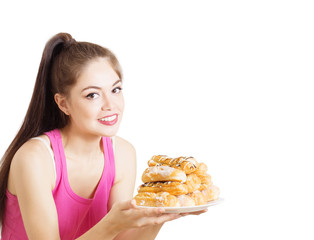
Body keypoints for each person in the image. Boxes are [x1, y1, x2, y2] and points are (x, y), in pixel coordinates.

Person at [0, 33, 206, 240]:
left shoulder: (123, 153)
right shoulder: (35, 158)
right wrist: (111, 224)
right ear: (63, 104)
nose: (111, 105)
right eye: (92, 95)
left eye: (115, 89)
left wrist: (164, 213)